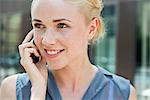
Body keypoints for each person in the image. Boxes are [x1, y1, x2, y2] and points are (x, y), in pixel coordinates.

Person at [0, 0, 136, 100]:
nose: (47, 40)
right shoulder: (13, 90)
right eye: (39, 25)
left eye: (61, 25)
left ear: (91, 28)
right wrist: (37, 92)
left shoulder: (122, 93)